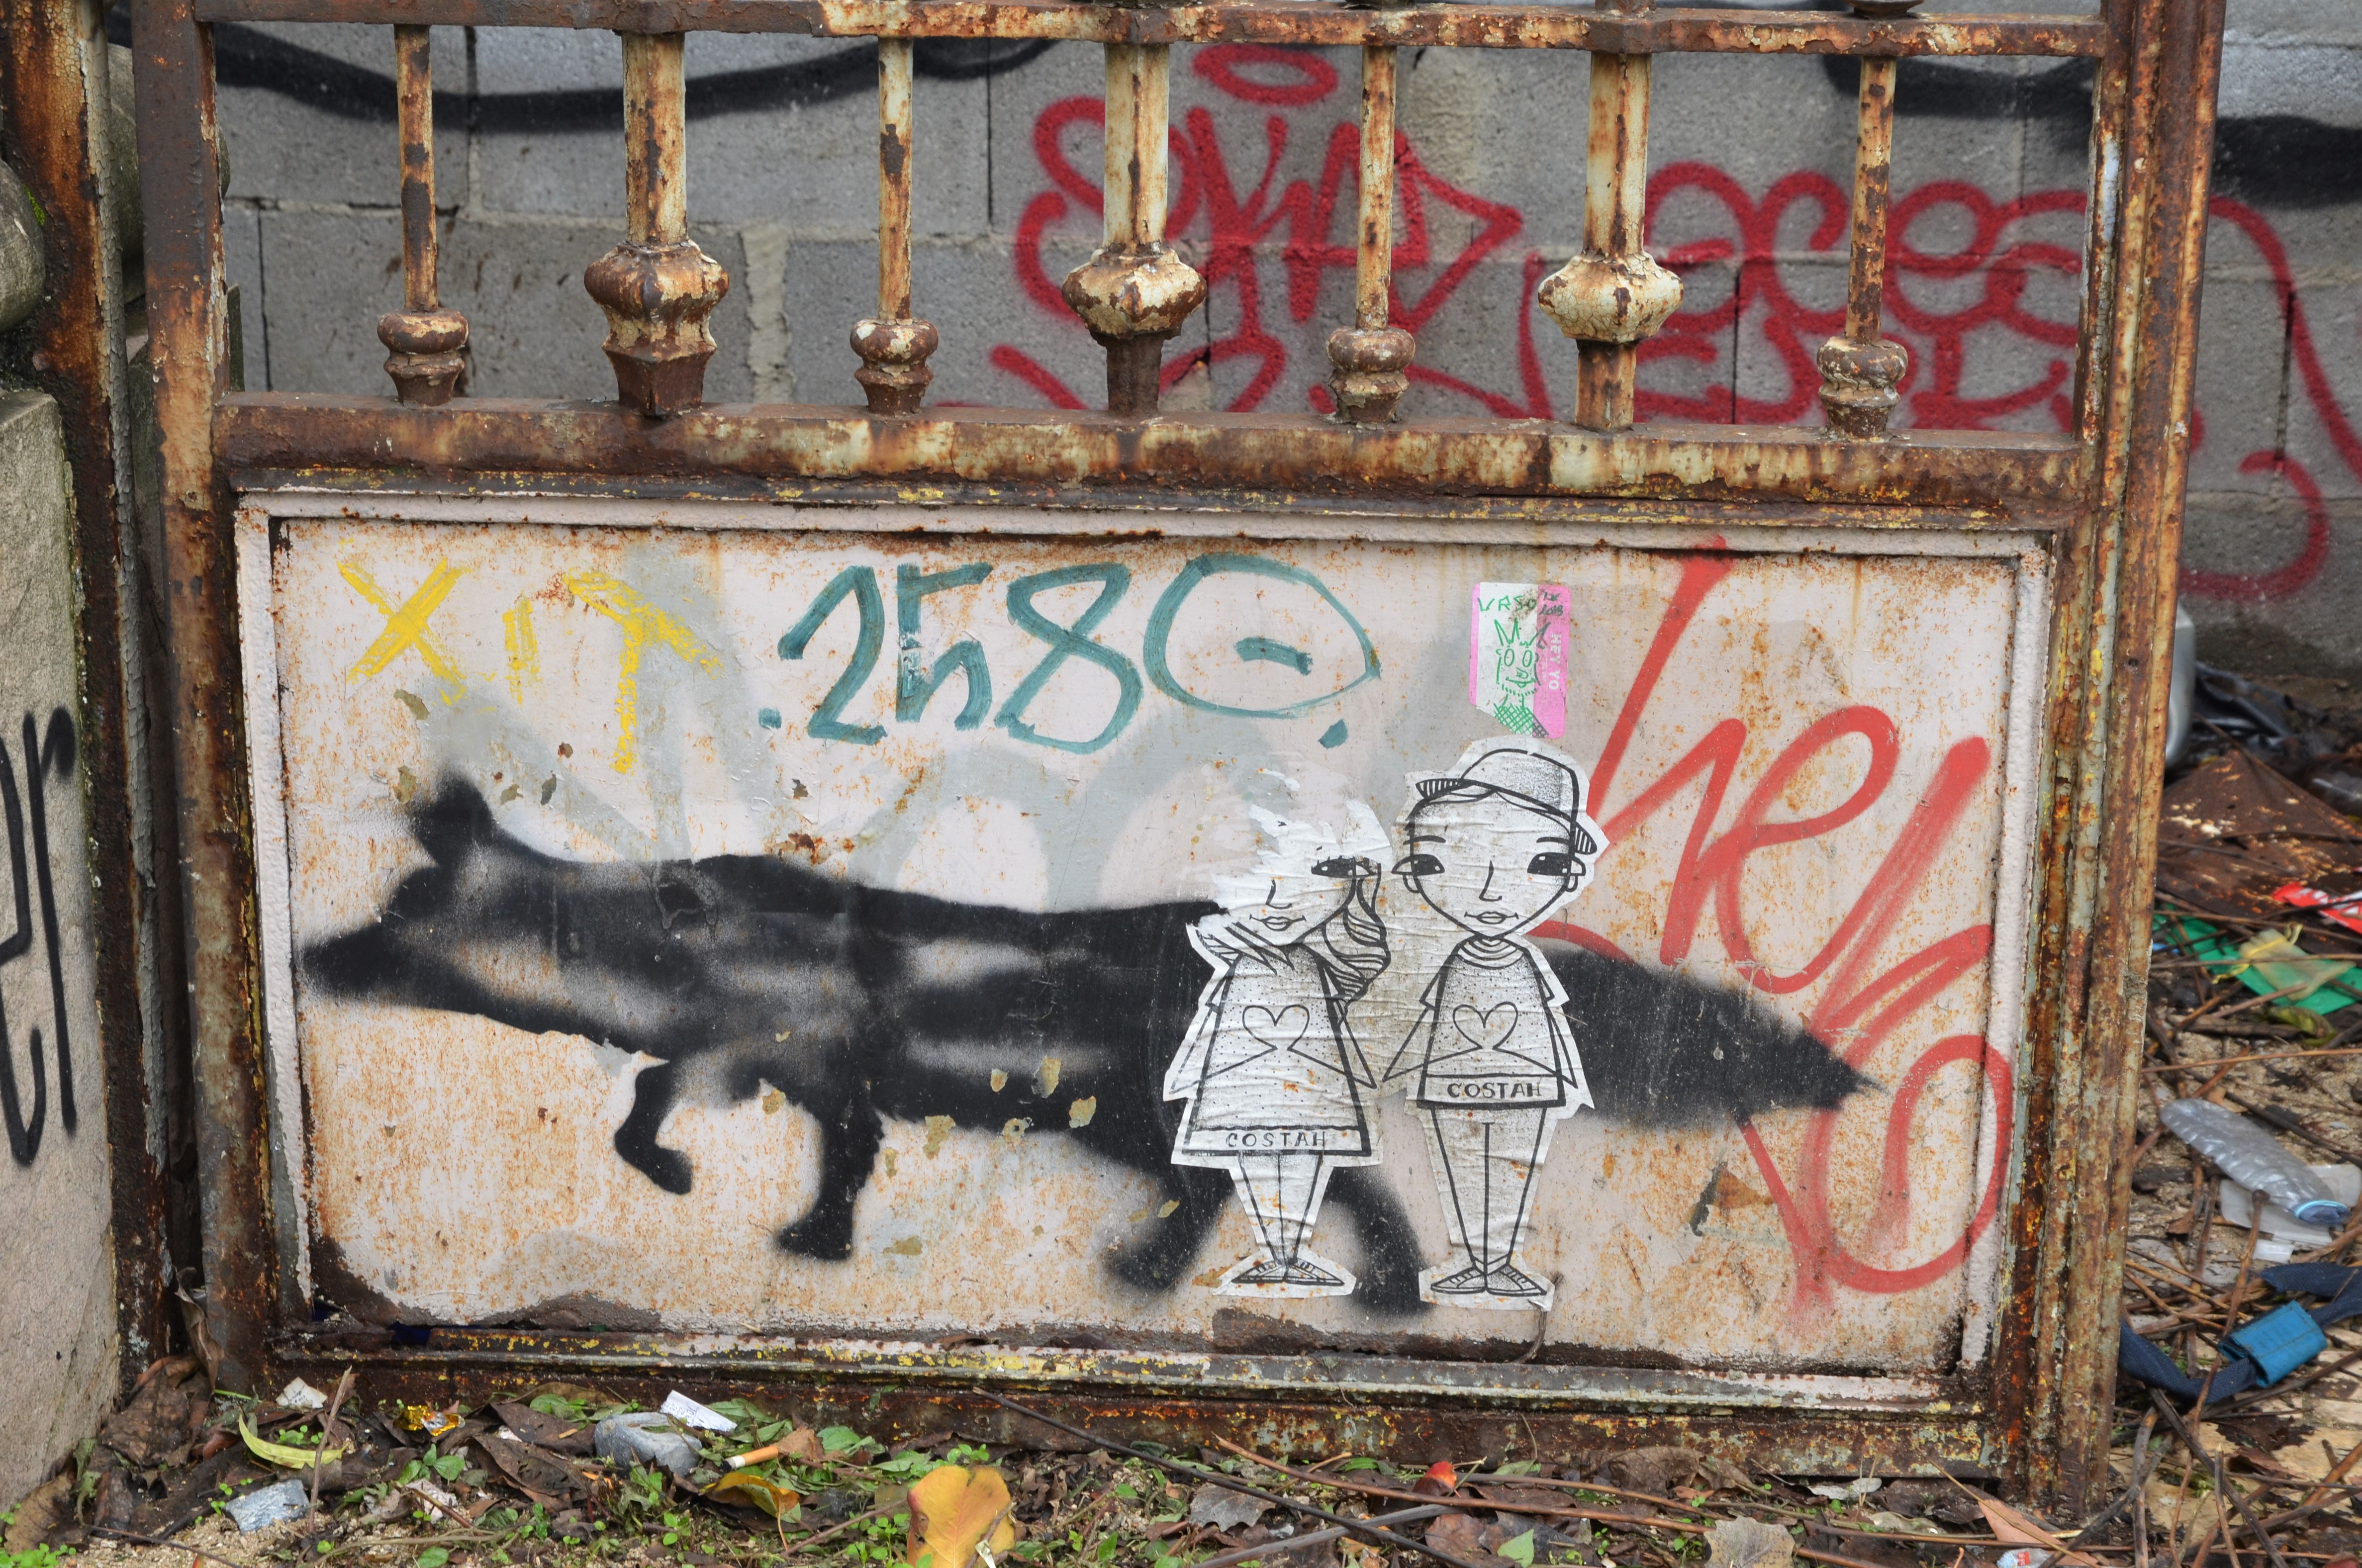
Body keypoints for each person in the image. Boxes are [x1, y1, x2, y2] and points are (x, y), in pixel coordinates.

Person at [1385, 739, 1602, 1307]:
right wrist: (1400, 1064)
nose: (1487, 892)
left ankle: (1500, 1263)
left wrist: (1563, 1077)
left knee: (1513, 1168)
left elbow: (1549, 1018)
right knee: (1460, 1161)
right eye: (1442, 861)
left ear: (1568, 874)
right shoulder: (1457, 961)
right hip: (1454, 1073)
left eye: (1539, 863)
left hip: (1524, 1076)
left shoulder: (1527, 962)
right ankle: (1474, 1262)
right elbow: (1430, 1016)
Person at [1165, 806, 1392, 1295]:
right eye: (1260, 876)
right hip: (1245, 1075)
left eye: (1319, 870)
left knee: (1305, 1149)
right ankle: (1277, 1255)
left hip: (1312, 1078)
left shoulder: (1320, 960)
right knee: (1257, 1151)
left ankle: (1288, 1255)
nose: (1283, 899)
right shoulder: (1238, 960)